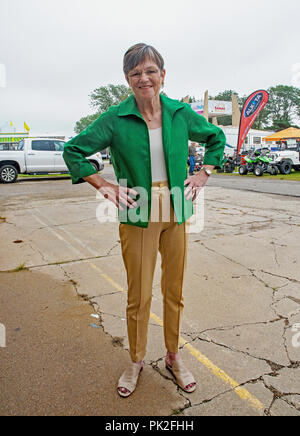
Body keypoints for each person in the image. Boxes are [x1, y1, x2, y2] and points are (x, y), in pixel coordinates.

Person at [63, 43, 226, 398]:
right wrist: (103, 184)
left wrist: (203, 173)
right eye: (135, 73)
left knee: (174, 292)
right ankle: (136, 360)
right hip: (138, 216)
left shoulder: (180, 113)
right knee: (138, 295)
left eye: (151, 70)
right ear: (127, 79)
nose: (144, 78)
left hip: (176, 214)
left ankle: (172, 357)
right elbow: (73, 150)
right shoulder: (115, 118)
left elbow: (216, 137)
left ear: (163, 75)